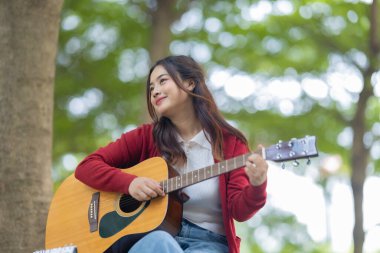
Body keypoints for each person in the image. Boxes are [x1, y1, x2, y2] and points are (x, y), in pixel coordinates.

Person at [75, 55, 268, 253]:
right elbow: (87, 166)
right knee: (158, 242)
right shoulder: (145, 137)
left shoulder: (230, 143)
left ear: (190, 83)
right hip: (153, 239)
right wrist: (129, 183)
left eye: (162, 81)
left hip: (209, 244)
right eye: (151, 88)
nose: (155, 91)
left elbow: (240, 211)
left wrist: (257, 185)